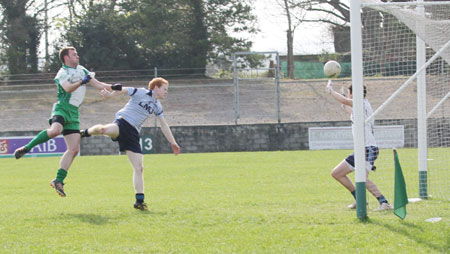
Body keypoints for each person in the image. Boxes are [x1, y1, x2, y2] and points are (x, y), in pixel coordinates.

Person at [14, 46, 113, 198]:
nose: (77, 56)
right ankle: (27, 148)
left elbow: (98, 84)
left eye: (77, 54)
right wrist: (81, 82)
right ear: (66, 58)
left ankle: (58, 181)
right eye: (74, 54)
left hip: (73, 112)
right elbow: (67, 88)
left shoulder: (81, 69)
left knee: (74, 150)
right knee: (55, 131)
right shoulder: (63, 73)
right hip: (62, 107)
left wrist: (114, 87)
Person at [80, 77, 180, 211]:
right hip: (122, 123)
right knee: (103, 130)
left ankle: (139, 201)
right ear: (156, 87)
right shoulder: (141, 92)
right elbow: (122, 89)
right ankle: (84, 132)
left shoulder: (157, 106)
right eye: (165, 89)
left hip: (133, 133)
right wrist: (109, 94)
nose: (166, 92)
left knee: (139, 168)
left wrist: (173, 143)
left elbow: (163, 124)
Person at [326, 80, 393, 211]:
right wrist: (342, 97)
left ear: (353, 94)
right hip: (361, 150)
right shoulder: (360, 105)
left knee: (362, 177)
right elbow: (346, 106)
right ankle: (360, 199)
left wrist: (331, 91)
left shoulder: (361, 103)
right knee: (337, 173)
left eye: (350, 93)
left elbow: (345, 102)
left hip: (368, 149)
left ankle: (384, 203)